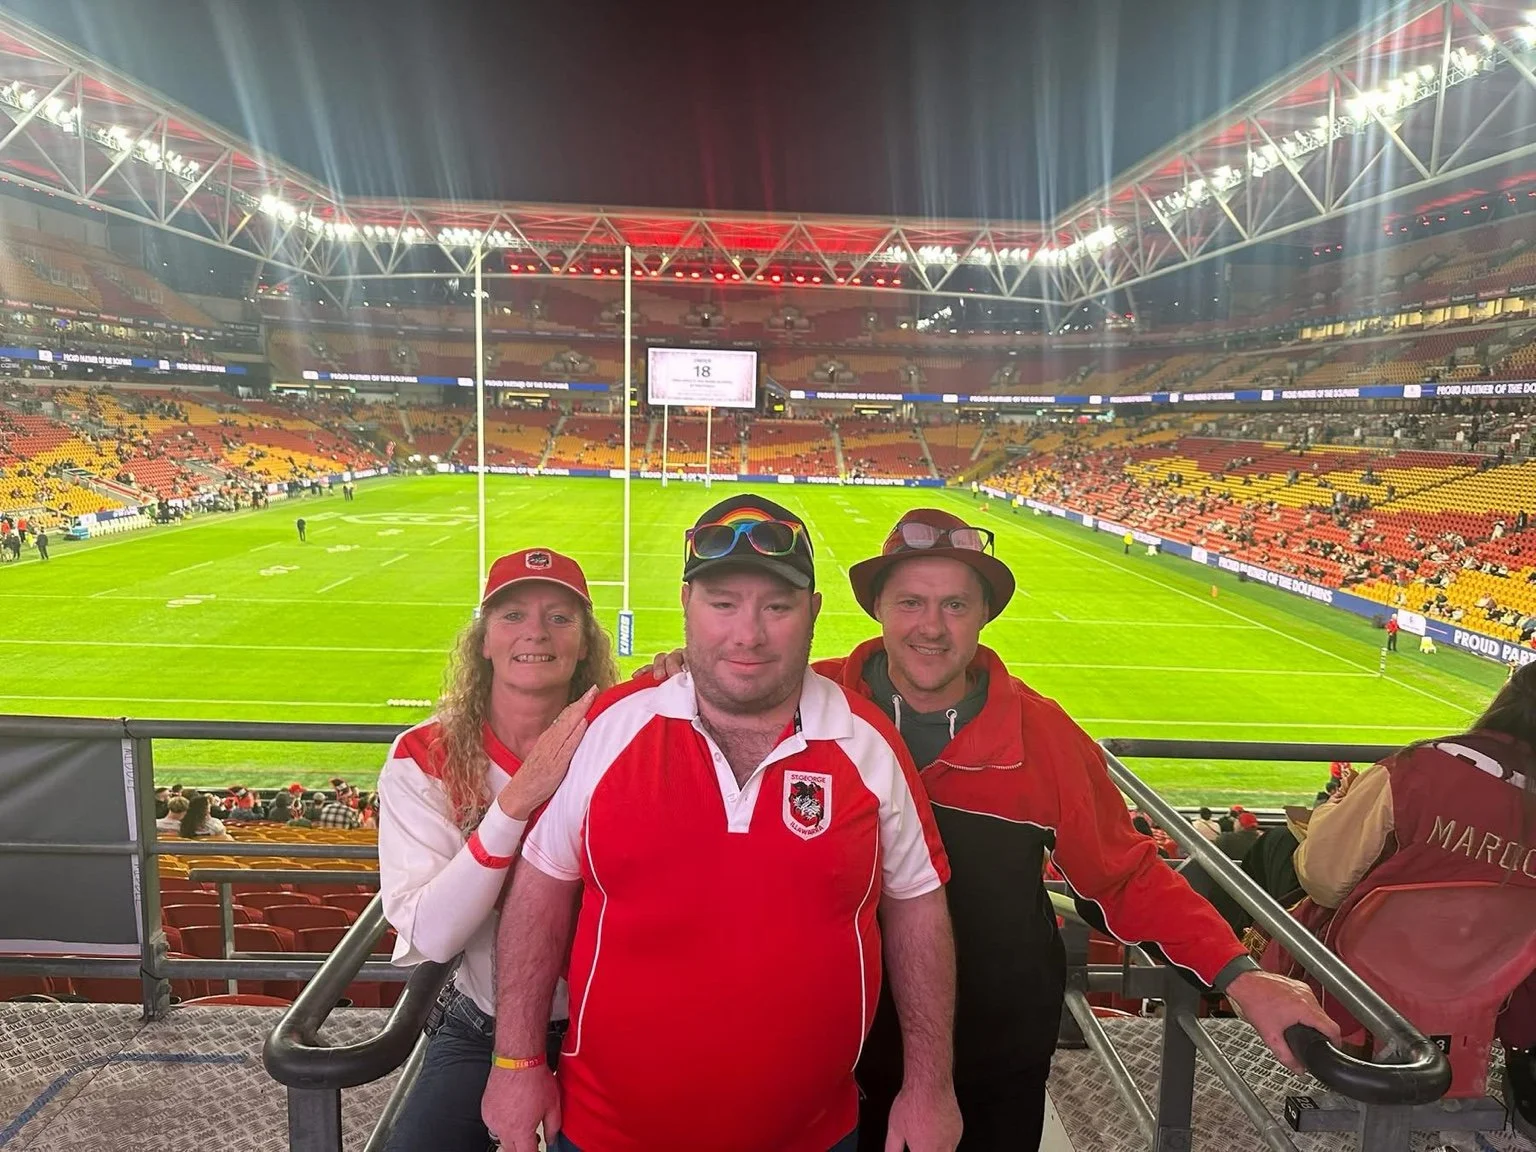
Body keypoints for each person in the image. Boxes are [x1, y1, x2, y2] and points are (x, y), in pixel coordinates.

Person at [637, 506, 1337, 1152]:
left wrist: (1242, 976)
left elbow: (1126, 877)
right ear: (877, 608)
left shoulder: (1044, 735)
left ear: (983, 615)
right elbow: (683, 749)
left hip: (991, 1059)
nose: (931, 626)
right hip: (822, 1054)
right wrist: (672, 680)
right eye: (910, 602)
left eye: (954, 605)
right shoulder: (802, 700)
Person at [483, 494, 959, 1152]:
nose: (748, 634)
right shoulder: (612, 725)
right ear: (686, 604)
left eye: (777, 607)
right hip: (603, 1133)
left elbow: (918, 907)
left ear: (814, 611)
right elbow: (540, 886)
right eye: (723, 603)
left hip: (812, 1135)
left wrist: (930, 1085)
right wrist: (516, 1062)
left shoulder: (868, 743)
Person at [380, 547, 617, 1152]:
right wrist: (516, 803)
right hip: (483, 1022)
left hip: (615, 1025)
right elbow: (433, 936)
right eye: (513, 615)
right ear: (483, 641)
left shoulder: (624, 737)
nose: (536, 631)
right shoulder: (424, 756)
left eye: (560, 617)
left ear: (584, 643)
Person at [1260, 662, 1536, 1123]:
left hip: (1360, 976)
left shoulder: (1419, 770)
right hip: (1494, 986)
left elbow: (1323, 878)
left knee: (1266, 855)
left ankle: (1214, 986)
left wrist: (1333, 811)